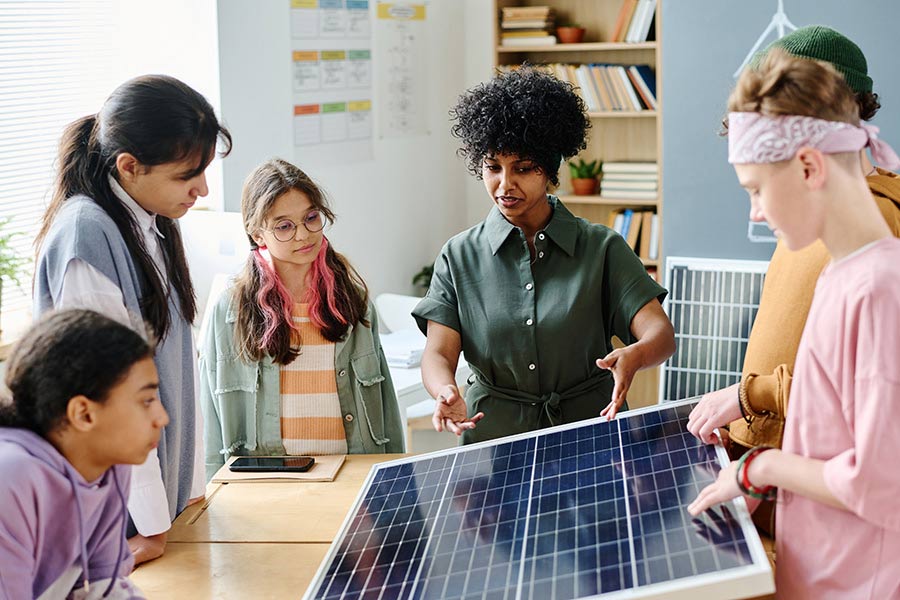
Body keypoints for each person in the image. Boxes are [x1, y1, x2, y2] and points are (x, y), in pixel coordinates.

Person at [687, 49, 900, 599]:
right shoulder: (838, 275)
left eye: (756, 190)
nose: (754, 213)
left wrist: (765, 466)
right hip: (817, 568)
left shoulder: (881, 289)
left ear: (809, 167)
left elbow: (880, 486)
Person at [413, 67, 675, 444]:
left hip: (591, 431)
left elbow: (660, 333)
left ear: (549, 170)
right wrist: (444, 389)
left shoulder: (602, 247)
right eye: (492, 168)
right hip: (494, 438)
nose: (505, 184)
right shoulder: (459, 256)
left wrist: (637, 354)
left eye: (523, 168)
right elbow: (438, 353)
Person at [33, 75, 232, 564]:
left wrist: (185, 486)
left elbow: (173, 365)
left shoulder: (149, 218)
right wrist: (149, 522)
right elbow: (113, 397)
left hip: (162, 505)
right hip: (121, 519)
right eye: (188, 175)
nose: (202, 190)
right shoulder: (88, 235)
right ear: (129, 166)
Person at [201, 158, 404, 480]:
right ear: (258, 234)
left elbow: (385, 405)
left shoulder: (352, 301)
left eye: (311, 218)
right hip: (268, 480)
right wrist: (215, 488)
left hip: (351, 472)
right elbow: (211, 414)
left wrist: (396, 481)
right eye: (284, 226)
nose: (302, 235)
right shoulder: (230, 308)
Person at [0, 309, 167, 599]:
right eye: (146, 400)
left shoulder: (110, 464)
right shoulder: (11, 477)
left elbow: (104, 584)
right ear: (84, 413)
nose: (161, 418)